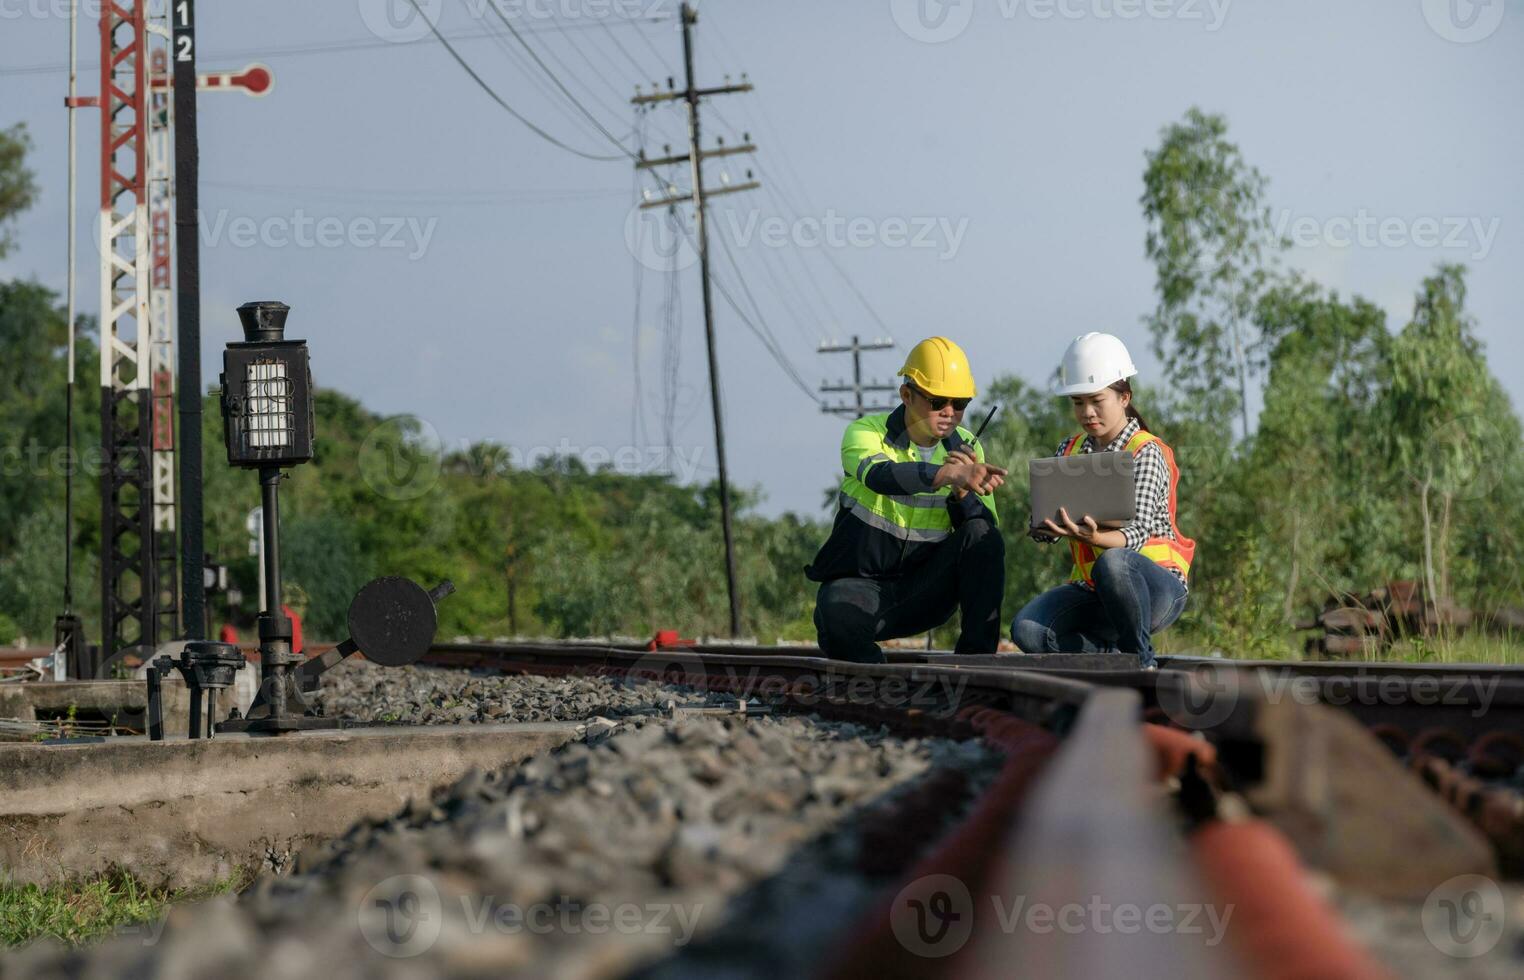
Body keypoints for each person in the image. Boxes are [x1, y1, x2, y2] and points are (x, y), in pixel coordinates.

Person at [807, 336, 1008, 663]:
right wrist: (947, 476)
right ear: (906, 395)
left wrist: (961, 495)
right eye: (938, 401)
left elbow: (981, 539)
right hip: (861, 589)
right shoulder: (865, 433)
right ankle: (877, 678)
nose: (949, 413)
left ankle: (976, 664)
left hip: (925, 592)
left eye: (959, 404)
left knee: (984, 538)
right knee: (837, 619)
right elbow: (880, 475)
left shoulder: (968, 447)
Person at [1012, 332, 1196, 667]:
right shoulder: (1068, 451)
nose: (1087, 412)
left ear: (1124, 396)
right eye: (1078, 402)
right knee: (1027, 631)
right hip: (1095, 591)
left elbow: (1136, 535)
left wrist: (1092, 537)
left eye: (1097, 400)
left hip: (1154, 588)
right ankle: (1114, 656)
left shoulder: (1145, 451)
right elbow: (1042, 526)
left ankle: (1139, 658)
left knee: (1113, 561)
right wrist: (1046, 526)